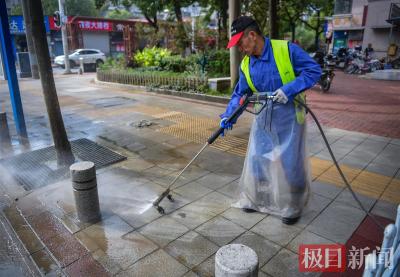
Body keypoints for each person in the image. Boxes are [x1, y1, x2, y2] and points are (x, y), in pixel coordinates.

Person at [220, 16, 321, 225]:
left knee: (290, 160)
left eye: (240, 42)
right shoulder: (247, 65)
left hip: (290, 117)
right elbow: (241, 94)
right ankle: (257, 198)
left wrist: (289, 89)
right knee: (258, 157)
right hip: (264, 117)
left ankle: (293, 203)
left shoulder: (286, 50)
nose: (240, 48)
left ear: (252, 35)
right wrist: (228, 116)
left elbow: (314, 70)